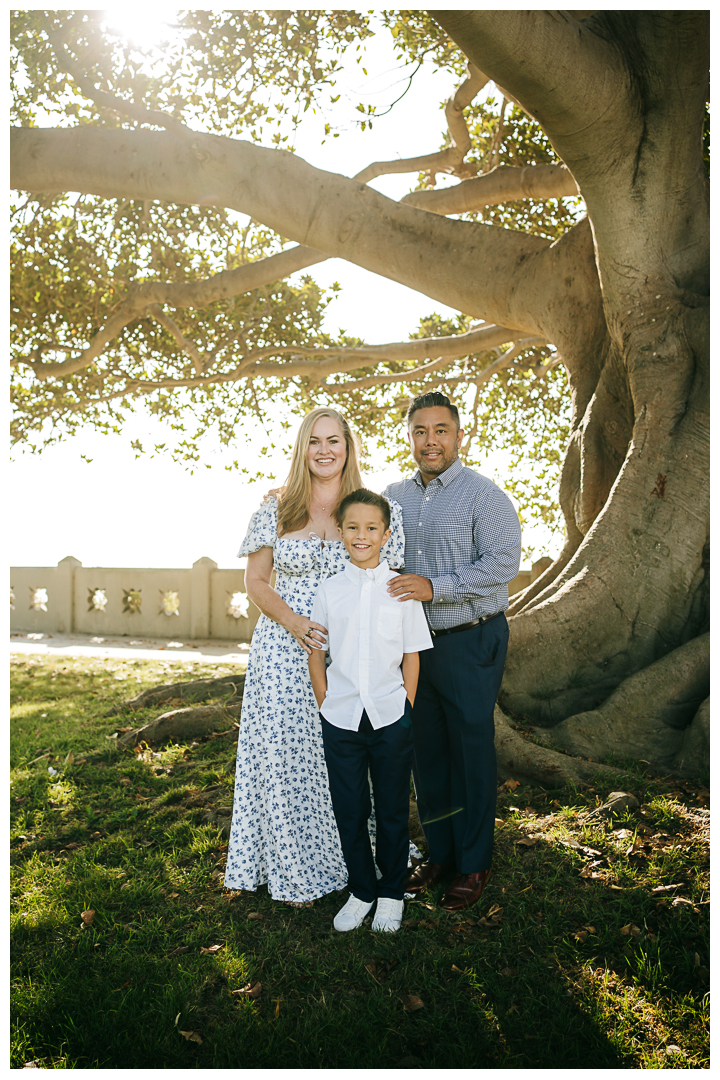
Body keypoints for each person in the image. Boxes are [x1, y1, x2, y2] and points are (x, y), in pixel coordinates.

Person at [223, 408, 405, 905]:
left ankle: (358, 864)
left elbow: (389, 580)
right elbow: (256, 582)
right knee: (287, 756)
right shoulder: (275, 508)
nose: (325, 450)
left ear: (349, 448)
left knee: (345, 758)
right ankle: (292, 864)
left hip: (353, 651)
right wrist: (296, 623)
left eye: (335, 441)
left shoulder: (371, 507)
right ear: (303, 448)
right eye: (314, 441)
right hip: (284, 650)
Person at [383, 391, 521, 911]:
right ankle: (439, 853)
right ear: (411, 437)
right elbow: (353, 531)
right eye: (421, 431)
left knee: (471, 753)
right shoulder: (393, 497)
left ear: (459, 435)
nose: (431, 440)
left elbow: (503, 562)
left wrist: (433, 586)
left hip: (471, 639)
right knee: (428, 755)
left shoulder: (484, 495)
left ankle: (474, 861)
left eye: (441, 430)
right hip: (413, 650)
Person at [308, 489, 433, 932]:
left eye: (372, 528)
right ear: (340, 532)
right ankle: (362, 889)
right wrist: (326, 704)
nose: (362, 536)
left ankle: (392, 892)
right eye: (353, 527)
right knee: (349, 807)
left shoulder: (401, 590)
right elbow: (316, 653)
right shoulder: (329, 590)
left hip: (390, 717)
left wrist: (405, 706)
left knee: (394, 807)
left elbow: (413, 655)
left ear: (386, 533)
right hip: (340, 719)